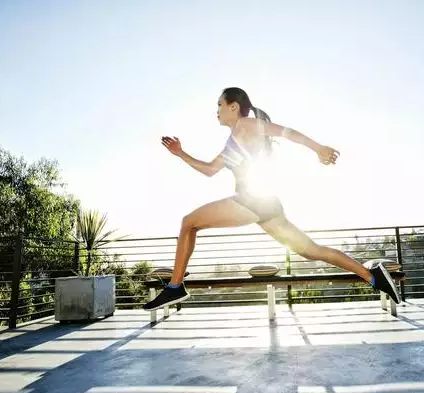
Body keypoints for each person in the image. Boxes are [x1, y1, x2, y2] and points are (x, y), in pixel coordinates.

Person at [143, 87, 400, 311]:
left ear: (234, 107)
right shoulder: (234, 138)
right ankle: (373, 277)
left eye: (220, 105)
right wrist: (180, 153)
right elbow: (210, 169)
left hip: (251, 201)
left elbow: (286, 132)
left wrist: (318, 148)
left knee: (188, 222)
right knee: (312, 251)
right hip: (266, 205)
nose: (217, 111)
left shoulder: (247, 125)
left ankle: (175, 286)